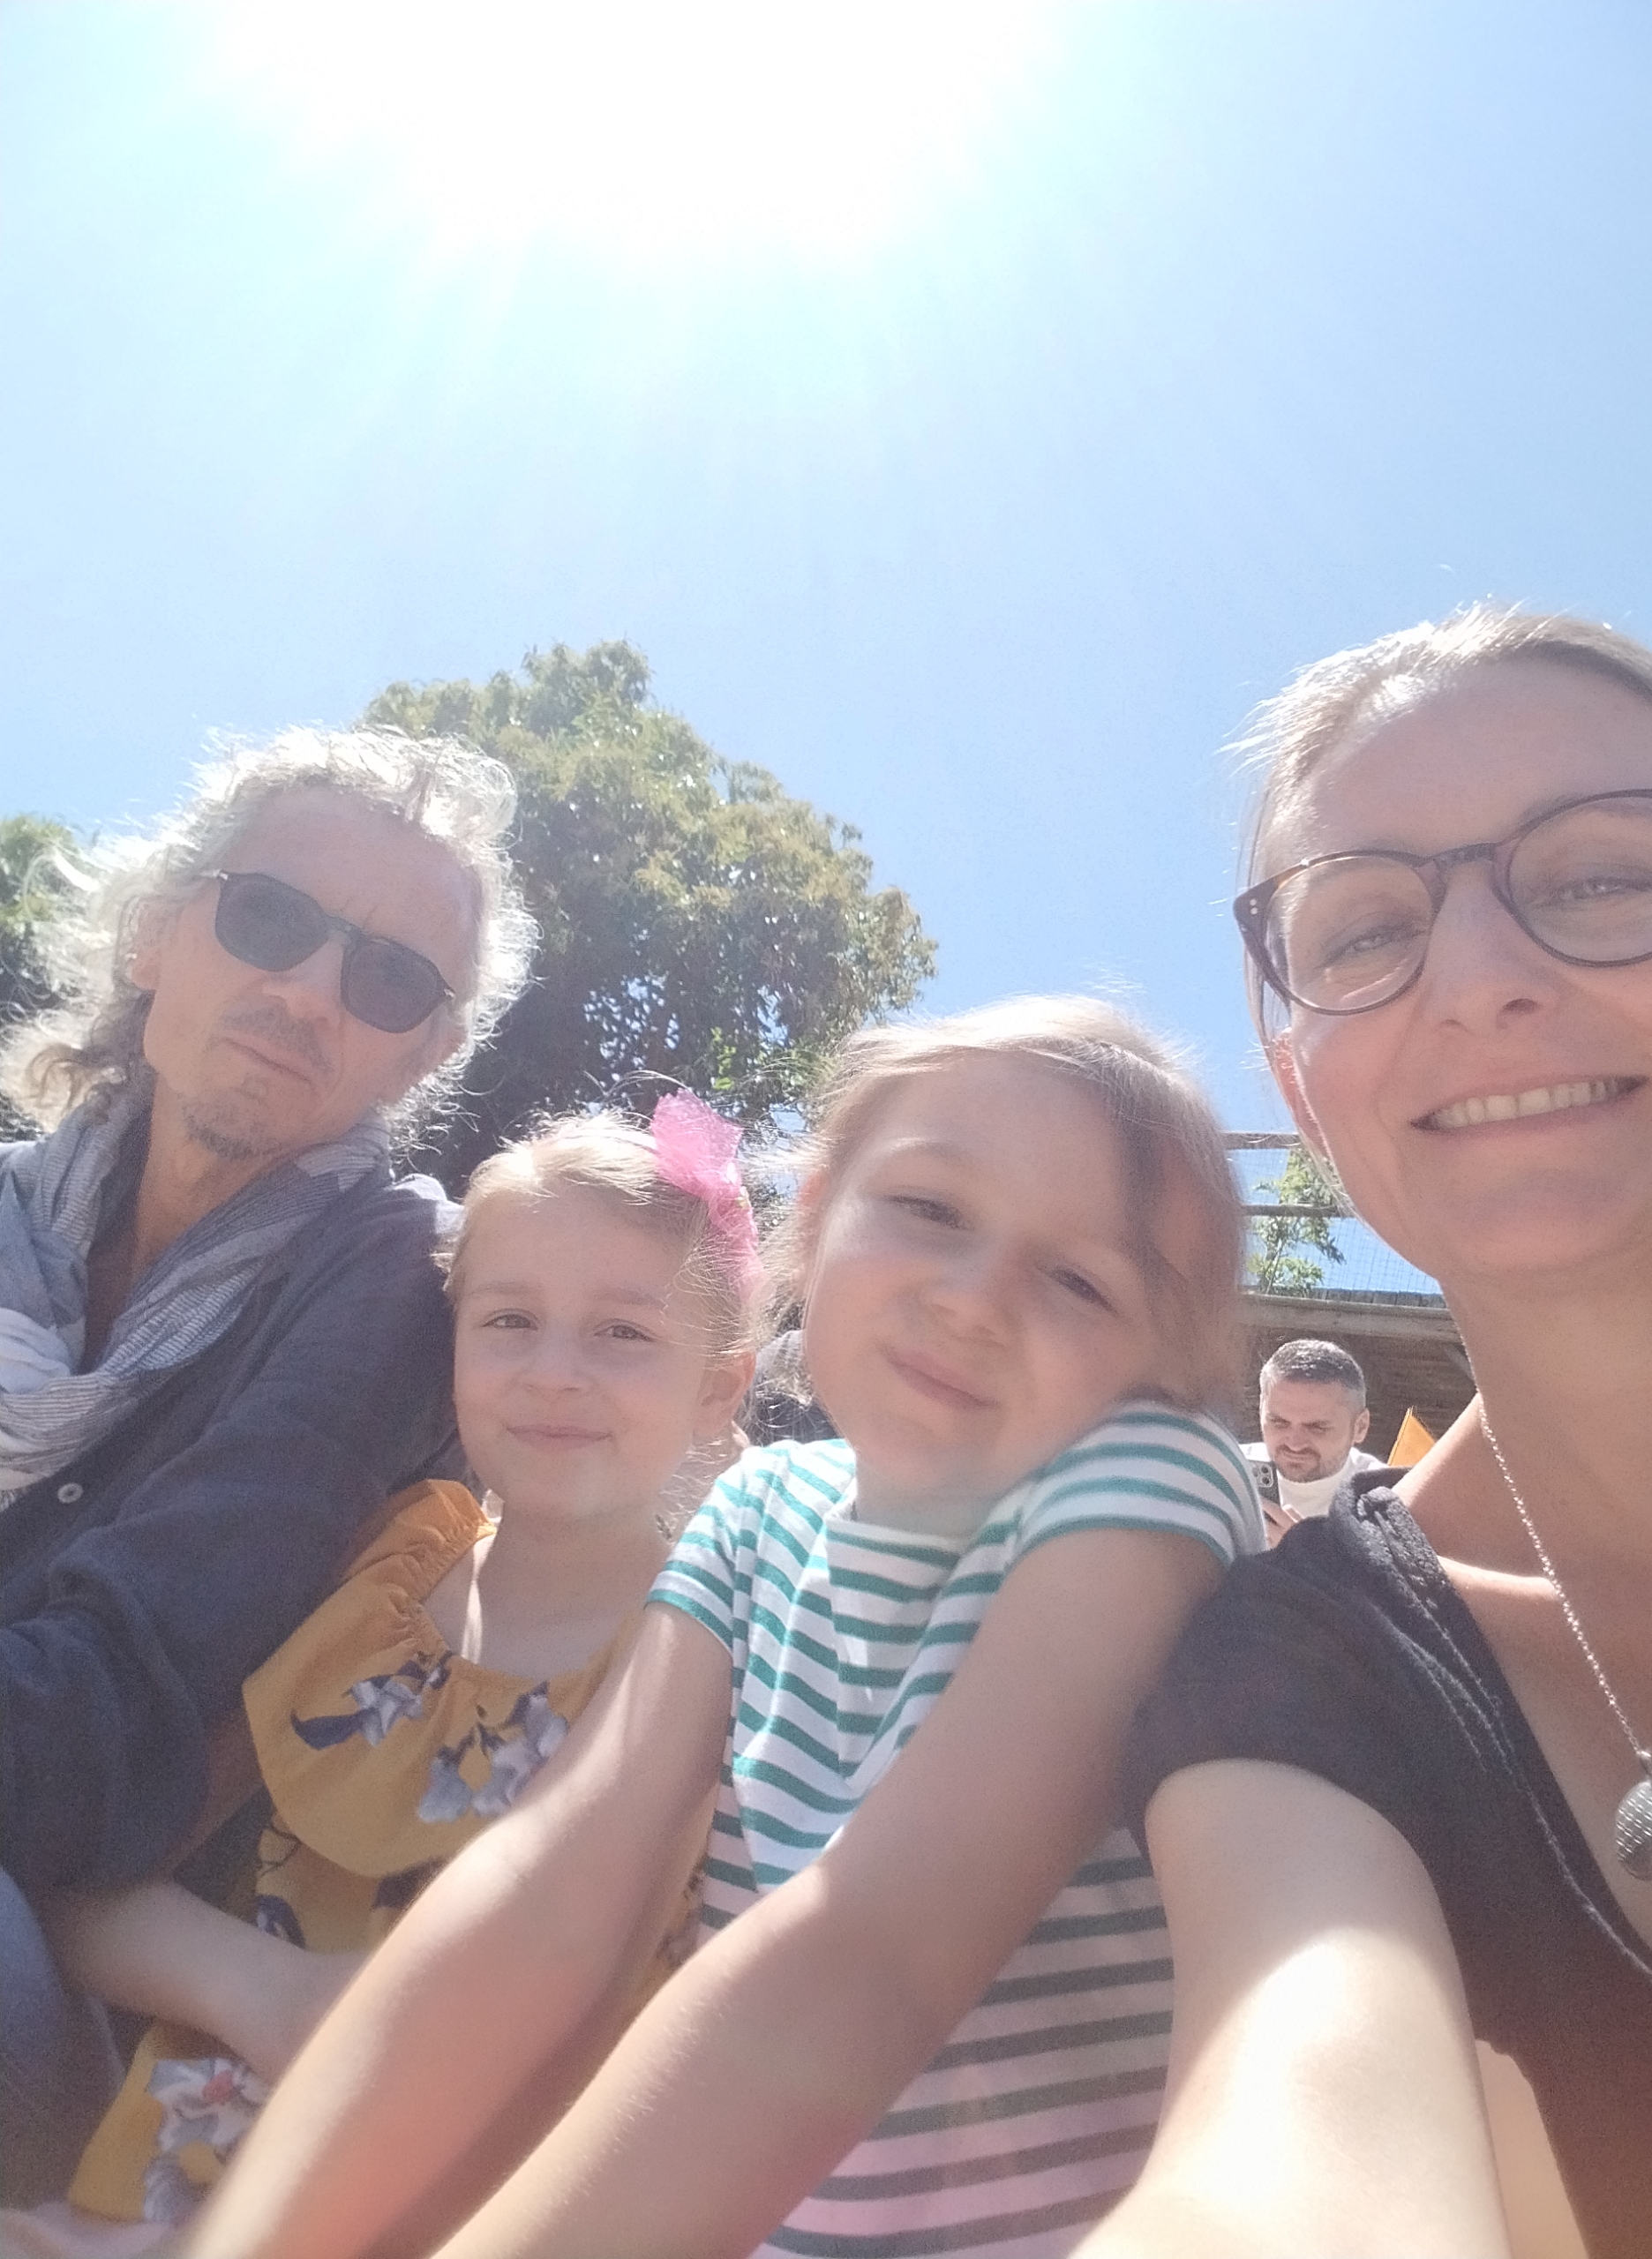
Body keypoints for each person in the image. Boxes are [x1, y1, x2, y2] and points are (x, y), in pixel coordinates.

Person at [185, 994, 1265, 2259]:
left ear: (1158, 1367)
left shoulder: (1148, 1480)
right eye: (930, 1208)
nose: (976, 1299)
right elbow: (551, 1883)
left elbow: (884, 1950)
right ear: (817, 1215)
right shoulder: (759, 1512)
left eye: (1080, 1280)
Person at [1074, 607, 1652, 2259]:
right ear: (1302, 1082)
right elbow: (1290, 2145)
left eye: (1604, 876)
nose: (1480, 981)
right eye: (1364, 930)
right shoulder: (1297, 1672)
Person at [0, 1099, 759, 2255]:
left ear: (719, 1387)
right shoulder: (382, 1577)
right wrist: (266, 1992)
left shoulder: (710, 1672)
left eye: (623, 1332)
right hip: (162, 2186)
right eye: (509, 1319)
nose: (553, 1372)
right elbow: (96, 1880)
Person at [0, 729, 533, 2203]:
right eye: (272, 917)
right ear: (157, 935)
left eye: (390, 980)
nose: (310, 992)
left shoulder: (387, 1281)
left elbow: (118, 1717)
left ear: (424, 1052)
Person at [1243, 1337, 1382, 1539]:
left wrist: (1302, 1553)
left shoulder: (1387, 1498)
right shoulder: (1223, 1472)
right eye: (1279, 1422)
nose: (1295, 1444)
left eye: (1317, 1427)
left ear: (1360, 1427)